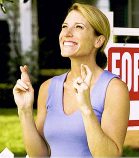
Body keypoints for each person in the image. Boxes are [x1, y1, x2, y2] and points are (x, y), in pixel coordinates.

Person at [12, 3, 130, 157]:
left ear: (98, 41)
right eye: (64, 26)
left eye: (78, 27)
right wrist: (25, 110)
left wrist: (86, 109)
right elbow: (40, 155)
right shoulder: (48, 88)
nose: (67, 33)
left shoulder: (114, 89)